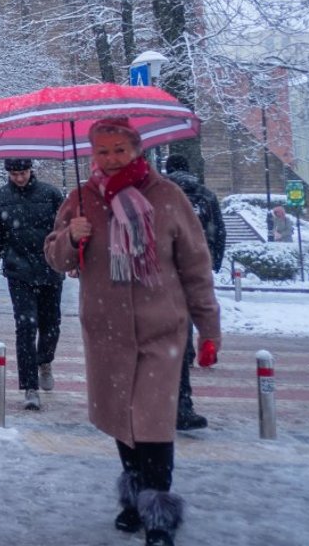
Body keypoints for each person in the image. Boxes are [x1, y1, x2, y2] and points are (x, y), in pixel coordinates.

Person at [44, 118, 220, 546]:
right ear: (92, 154)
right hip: (106, 331)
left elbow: (196, 268)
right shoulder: (82, 199)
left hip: (163, 327)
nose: (111, 157)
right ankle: (134, 494)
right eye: (102, 150)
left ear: (137, 148)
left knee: (153, 420)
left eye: (119, 148)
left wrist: (209, 329)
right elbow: (56, 258)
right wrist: (71, 236)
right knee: (122, 418)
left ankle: (158, 511)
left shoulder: (168, 197)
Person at [0, 158, 65, 412]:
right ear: (8, 173)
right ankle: (30, 386)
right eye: (15, 174)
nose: (20, 178)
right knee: (25, 326)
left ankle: (45, 361)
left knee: (51, 325)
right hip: (19, 273)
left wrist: (71, 259)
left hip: (51, 269)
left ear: (31, 170)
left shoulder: (51, 195)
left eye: (24, 172)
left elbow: (64, 230)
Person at [163, 153, 226, 431]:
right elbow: (218, 230)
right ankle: (182, 404)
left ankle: (177, 401)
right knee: (186, 317)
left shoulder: (162, 194)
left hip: (167, 270)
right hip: (196, 266)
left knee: (177, 326)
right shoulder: (204, 195)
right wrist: (214, 260)